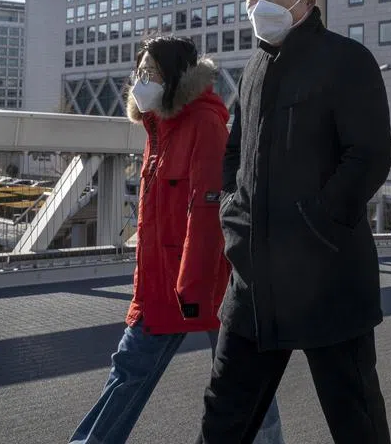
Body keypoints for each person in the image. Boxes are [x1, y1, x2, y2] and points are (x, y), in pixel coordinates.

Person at [197, 0, 391, 444]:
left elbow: (367, 156)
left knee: (356, 420)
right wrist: (231, 214)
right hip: (253, 283)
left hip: (327, 276)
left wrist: (317, 224)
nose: (257, 5)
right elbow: (236, 152)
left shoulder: (347, 60)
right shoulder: (253, 69)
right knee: (223, 418)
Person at [71, 36, 284, 444]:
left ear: (173, 76)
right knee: (130, 369)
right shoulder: (159, 125)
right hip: (164, 280)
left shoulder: (203, 123)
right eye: (139, 72)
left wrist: (190, 286)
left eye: (150, 72)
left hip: (207, 281)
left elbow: (206, 210)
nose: (141, 80)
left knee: (242, 380)